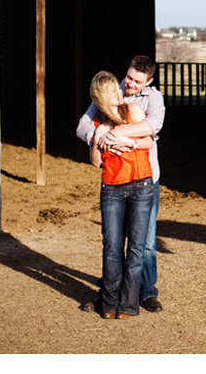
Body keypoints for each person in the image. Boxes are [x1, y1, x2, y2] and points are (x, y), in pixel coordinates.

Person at [76, 55, 166, 313]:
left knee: (144, 241)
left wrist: (119, 134)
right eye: (128, 77)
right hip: (114, 180)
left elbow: (153, 127)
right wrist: (99, 137)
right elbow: (83, 127)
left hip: (145, 177)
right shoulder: (109, 96)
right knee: (113, 243)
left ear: (148, 81)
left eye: (137, 81)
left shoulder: (151, 99)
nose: (130, 84)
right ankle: (108, 295)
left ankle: (146, 293)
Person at [88, 71, 155, 319]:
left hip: (140, 185)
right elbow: (95, 162)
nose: (119, 93)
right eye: (112, 91)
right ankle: (109, 303)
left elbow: (149, 142)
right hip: (112, 188)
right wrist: (97, 139)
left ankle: (128, 305)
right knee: (112, 247)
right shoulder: (98, 124)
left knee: (136, 248)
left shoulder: (134, 111)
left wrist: (128, 140)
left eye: (118, 88)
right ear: (100, 97)